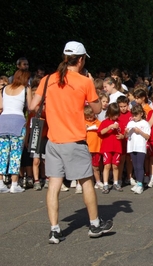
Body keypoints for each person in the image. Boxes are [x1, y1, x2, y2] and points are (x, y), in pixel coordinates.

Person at [29, 41, 113, 244]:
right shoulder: (84, 81)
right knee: (86, 182)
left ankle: (55, 230)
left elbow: (32, 105)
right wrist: (91, 85)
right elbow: (96, 109)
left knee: (54, 185)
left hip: (53, 140)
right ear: (81, 59)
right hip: (74, 140)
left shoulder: (48, 79)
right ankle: (94, 224)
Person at [0, 70, 32, 194]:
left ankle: (1, 183)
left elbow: (1, 106)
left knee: (2, 153)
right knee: (15, 153)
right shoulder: (26, 88)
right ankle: (14, 183)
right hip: (18, 122)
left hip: (3, 121)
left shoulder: (5, 88)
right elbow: (30, 107)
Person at [98, 102, 124, 193]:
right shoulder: (105, 122)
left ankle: (116, 182)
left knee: (115, 166)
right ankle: (105, 184)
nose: (116, 117)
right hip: (107, 147)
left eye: (117, 115)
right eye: (114, 115)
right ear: (109, 114)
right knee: (107, 165)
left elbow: (124, 134)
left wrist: (122, 136)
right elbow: (101, 132)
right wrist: (109, 127)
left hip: (117, 147)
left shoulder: (120, 122)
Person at [126, 105, 151, 194]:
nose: (134, 117)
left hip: (140, 147)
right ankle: (138, 182)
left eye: (136, 115)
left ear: (141, 114)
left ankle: (140, 184)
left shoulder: (145, 123)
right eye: (133, 115)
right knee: (135, 166)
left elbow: (147, 136)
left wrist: (139, 131)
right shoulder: (130, 123)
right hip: (132, 147)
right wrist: (126, 131)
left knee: (140, 166)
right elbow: (126, 135)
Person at [84, 106, 103, 190]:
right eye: (87, 117)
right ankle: (82, 183)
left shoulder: (98, 122)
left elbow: (101, 130)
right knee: (85, 167)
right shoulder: (83, 122)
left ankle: (98, 181)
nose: (89, 118)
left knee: (96, 167)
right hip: (86, 148)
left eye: (91, 116)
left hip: (96, 148)